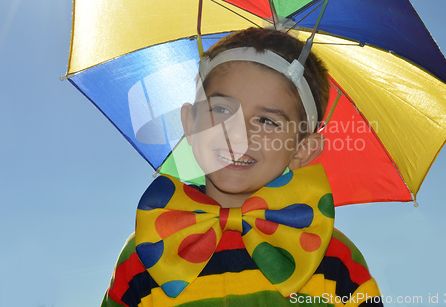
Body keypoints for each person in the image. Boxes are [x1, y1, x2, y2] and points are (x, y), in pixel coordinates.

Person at [101, 28, 383, 306]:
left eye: (267, 120)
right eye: (222, 109)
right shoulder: (148, 252)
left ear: (302, 149)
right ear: (189, 123)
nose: (238, 134)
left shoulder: (333, 257)